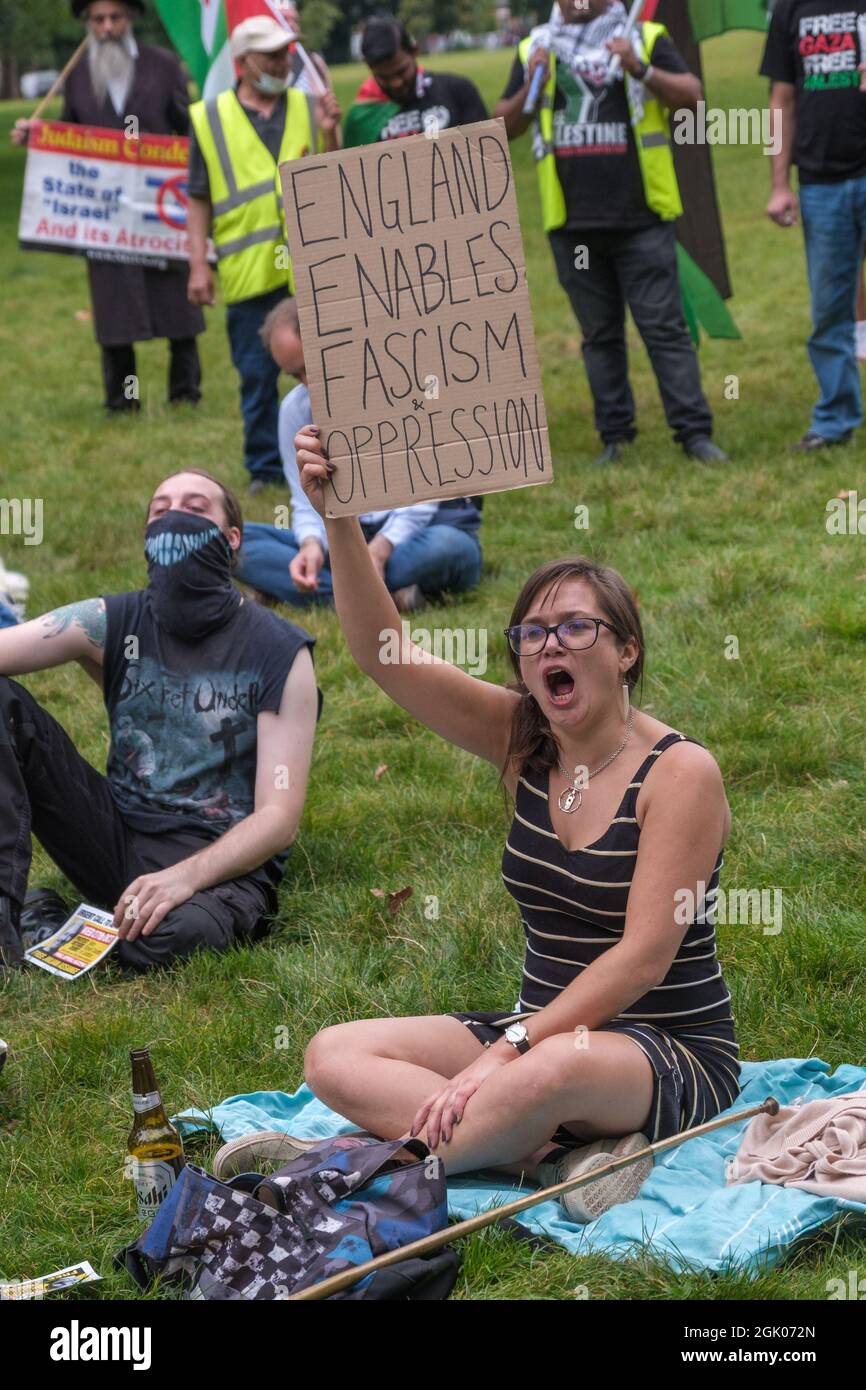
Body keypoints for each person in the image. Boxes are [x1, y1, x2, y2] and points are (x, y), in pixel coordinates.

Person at [285, 424, 741, 1223]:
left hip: (658, 1049)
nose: (547, 645)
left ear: (627, 650)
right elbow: (385, 653)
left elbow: (641, 960)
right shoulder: (522, 739)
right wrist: (339, 517)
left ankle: (331, 1166)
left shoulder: (679, 773)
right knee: (333, 1053)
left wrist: (506, 1051)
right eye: (531, 634)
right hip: (535, 1035)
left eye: (574, 627)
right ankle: (554, 1160)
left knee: (545, 1077)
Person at [0, 469, 322, 973]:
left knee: (181, 937)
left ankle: (54, 922)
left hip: (219, 862)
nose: (174, 517)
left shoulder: (280, 651)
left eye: (196, 508)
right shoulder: (111, 621)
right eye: (160, 509)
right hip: (115, 833)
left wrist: (184, 878)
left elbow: (278, 819)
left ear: (232, 539)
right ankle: (9, 916)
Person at [494, 0, 727, 468]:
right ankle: (615, 437)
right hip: (573, 226)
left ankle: (694, 433)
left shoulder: (644, 37)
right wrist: (532, 81)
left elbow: (691, 97)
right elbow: (503, 125)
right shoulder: (534, 47)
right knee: (599, 335)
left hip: (640, 217)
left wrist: (639, 69)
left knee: (664, 330)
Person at [11, 1, 205, 414]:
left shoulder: (163, 65)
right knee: (117, 310)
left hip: (159, 209)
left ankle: (185, 393)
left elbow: (188, 129)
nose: (107, 27)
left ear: (130, 19)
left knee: (175, 304)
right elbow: (68, 140)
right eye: (98, 20)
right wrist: (37, 136)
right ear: (88, 24)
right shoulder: (77, 76)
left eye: (115, 18)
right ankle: (124, 401)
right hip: (106, 217)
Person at [235, 299, 483, 613]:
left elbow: (426, 495)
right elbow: (303, 499)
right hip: (343, 541)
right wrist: (310, 545)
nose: (309, 383)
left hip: (417, 534)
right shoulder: (295, 409)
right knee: (233, 541)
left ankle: (322, 592)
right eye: (296, 375)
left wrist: (379, 550)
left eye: (313, 367)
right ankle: (381, 596)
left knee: (451, 548)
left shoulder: (406, 387)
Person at [186, 15, 341, 495]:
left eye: (285, 53)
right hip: (248, 273)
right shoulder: (207, 118)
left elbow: (333, 173)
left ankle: (339, 446)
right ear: (243, 63)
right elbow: (198, 195)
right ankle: (264, 469)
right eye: (271, 55)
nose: (282, 62)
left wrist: (331, 130)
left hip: (310, 269)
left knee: (329, 369)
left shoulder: (310, 104)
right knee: (256, 376)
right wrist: (197, 264)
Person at [761, 1, 866, 450]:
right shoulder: (790, 8)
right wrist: (780, 183)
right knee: (829, 311)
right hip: (820, 183)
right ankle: (835, 420)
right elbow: (781, 99)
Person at [342, 15, 488, 147]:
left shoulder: (457, 91)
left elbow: (487, 158)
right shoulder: (360, 118)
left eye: (401, 71)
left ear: (414, 51)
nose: (396, 83)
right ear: (369, 68)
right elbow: (346, 172)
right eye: (384, 77)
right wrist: (330, 133)